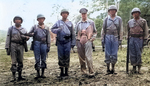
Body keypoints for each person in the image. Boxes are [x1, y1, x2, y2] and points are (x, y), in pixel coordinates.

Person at [51, 9, 76, 77]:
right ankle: (61, 72)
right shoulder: (58, 22)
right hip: (60, 42)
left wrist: (73, 43)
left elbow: (73, 33)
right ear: (61, 14)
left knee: (67, 56)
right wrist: (58, 30)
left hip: (68, 41)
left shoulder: (70, 23)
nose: (64, 14)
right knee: (61, 56)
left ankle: (66, 72)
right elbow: (52, 29)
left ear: (67, 14)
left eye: (66, 13)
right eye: (63, 13)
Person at [5, 16, 29, 82]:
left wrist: (26, 38)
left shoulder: (24, 29)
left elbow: (26, 38)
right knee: (13, 61)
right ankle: (13, 77)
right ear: (14, 21)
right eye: (16, 20)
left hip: (21, 46)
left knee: (20, 61)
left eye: (19, 20)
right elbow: (8, 38)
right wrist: (7, 47)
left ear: (21, 21)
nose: (18, 21)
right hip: (13, 45)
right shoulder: (11, 28)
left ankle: (20, 76)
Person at [101, 5, 123, 74]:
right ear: (109, 11)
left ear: (116, 11)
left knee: (114, 53)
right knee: (107, 53)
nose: (112, 12)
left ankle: (113, 68)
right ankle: (107, 68)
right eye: (111, 10)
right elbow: (103, 29)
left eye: (114, 10)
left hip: (115, 37)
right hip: (107, 36)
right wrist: (102, 38)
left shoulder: (119, 19)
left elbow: (121, 29)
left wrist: (120, 39)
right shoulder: (106, 19)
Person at [75, 8, 97, 77]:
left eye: (84, 14)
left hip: (88, 41)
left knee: (88, 57)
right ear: (81, 15)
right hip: (80, 41)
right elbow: (75, 33)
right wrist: (77, 40)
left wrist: (92, 38)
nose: (83, 15)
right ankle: (83, 72)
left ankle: (91, 71)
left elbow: (95, 32)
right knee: (81, 57)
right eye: (82, 14)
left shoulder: (91, 22)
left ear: (86, 14)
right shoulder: (78, 24)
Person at [28, 14, 51, 79]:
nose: (41, 20)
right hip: (36, 43)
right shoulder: (34, 27)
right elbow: (29, 34)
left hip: (44, 44)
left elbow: (48, 37)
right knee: (37, 59)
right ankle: (38, 74)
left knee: (44, 59)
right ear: (37, 20)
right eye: (39, 19)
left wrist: (48, 46)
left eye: (42, 19)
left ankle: (43, 74)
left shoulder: (46, 27)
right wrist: (32, 34)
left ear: (44, 19)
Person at [127, 8, 149, 74]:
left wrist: (145, 39)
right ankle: (134, 68)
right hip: (132, 39)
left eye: (137, 12)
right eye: (134, 13)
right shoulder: (130, 22)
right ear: (132, 14)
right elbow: (128, 31)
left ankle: (139, 68)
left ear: (139, 13)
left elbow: (146, 31)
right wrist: (128, 38)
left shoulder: (143, 21)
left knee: (138, 53)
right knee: (132, 53)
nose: (135, 14)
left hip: (139, 39)